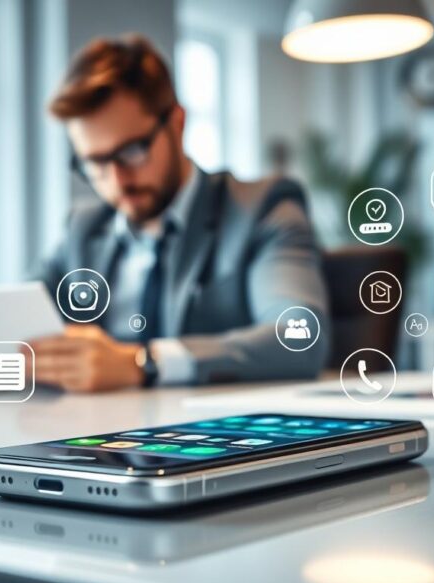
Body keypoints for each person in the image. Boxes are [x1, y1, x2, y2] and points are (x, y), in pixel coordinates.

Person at [29, 34, 329, 393]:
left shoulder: (261, 208)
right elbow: (18, 319)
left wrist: (143, 364)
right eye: (96, 163)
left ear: (177, 123)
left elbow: (300, 336)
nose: (118, 181)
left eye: (132, 151)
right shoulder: (83, 228)